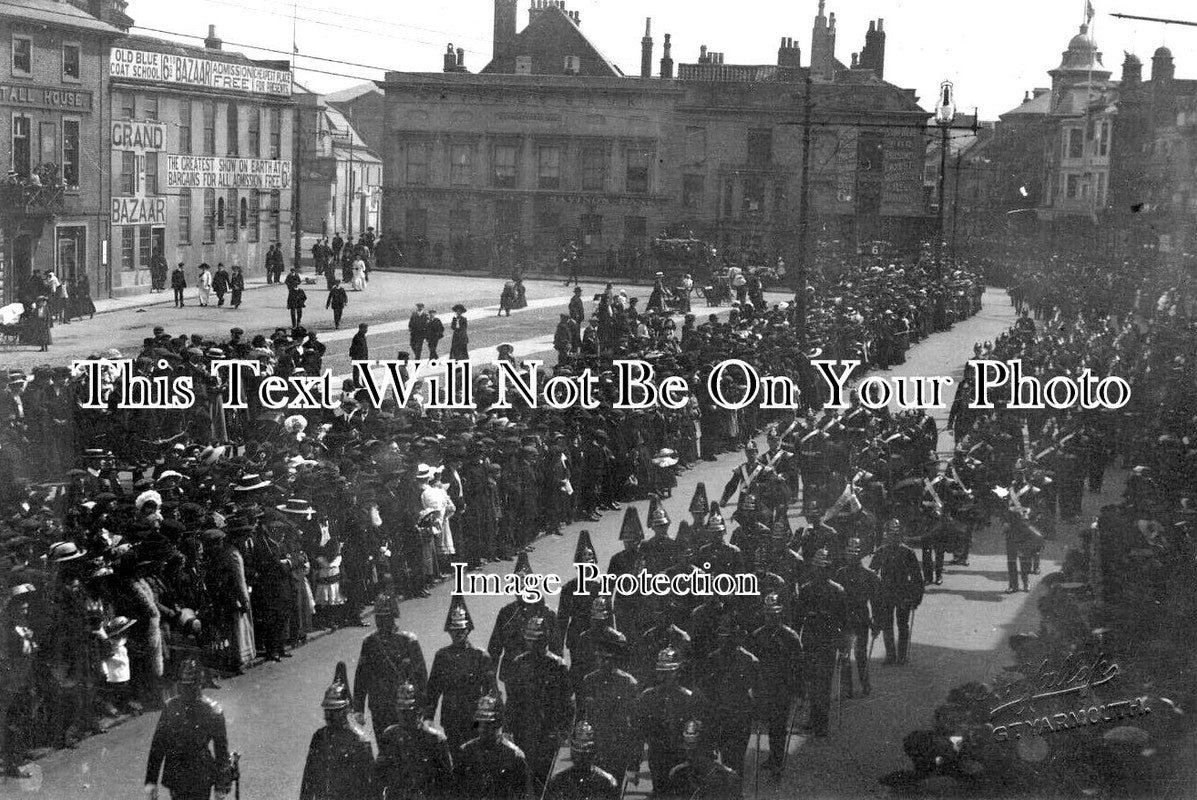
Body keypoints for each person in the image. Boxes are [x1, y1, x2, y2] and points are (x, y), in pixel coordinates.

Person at [143, 657, 232, 800]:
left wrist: (222, 784)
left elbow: (221, 750)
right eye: (185, 686)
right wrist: (150, 780)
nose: (188, 690)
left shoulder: (212, 710)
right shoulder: (171, 707)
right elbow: (158, 745)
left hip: (199, 774)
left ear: (199, 684)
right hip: (179, 774)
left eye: (191, 686)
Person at [501, 616, 573, 788]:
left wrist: (564, 730)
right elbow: (512, 699)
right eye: (530, 640)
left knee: (542, 778)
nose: (533, 644)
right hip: (524, 729)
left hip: (548, 731)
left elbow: (567, 702)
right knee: (523, 776)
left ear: (545, 639)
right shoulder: (519, 663)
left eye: (537, 640)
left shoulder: (558, 665)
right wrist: (507, 728)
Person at [425, 596, 496, 753]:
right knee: (456, 760)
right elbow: (433, 690)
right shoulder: (441, 656)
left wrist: (494, 722)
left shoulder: (480, 656)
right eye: (454, 630)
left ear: (468, 630)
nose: (458, 634)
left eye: (461, 630)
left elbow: (492, 691)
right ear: (449, 631)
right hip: (451, 718)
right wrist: (428, 717)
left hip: (475, 719)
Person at [353, 593, 428, 741]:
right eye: (378, 617)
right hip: (379, 705)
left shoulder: (408, 640)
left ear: (392, 617)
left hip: (404, 704)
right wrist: (358, 708)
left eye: (385, 617)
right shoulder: (369, 642)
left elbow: (421, 676)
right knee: (384, 748)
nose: (381, 621)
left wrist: (423, 706)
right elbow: (362, 675)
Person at [299, 663, 375, 800]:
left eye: (334, 711)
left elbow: (369, 785)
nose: (329, 716)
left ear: (345, 711)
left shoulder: (360, 740)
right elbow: (309, 776)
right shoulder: (319, 737)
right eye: (327, 711)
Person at [793, 548, 846, 738]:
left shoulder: (837, 591)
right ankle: (813, 718)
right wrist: (795, 643)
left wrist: (843, 645)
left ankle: (821, 723)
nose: (820, 571)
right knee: (810, 684)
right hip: (809, 641)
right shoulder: (806, 590)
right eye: (817, 567)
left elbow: (843, 621)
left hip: (827, 643)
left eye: (824, 568)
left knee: (823, 685)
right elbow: (797, 619)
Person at [749, 592, 802, 773]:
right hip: (764, 688)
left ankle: (777, 760)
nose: (771, 618)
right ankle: (773, 757)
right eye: (768, 614)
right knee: (769, 724)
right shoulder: (757, 636)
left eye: (775, 614)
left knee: (779, 726)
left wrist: (799, 692)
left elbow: (798, 667)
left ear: (780, 615)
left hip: (782, 688)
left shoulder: (791, 637)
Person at [375, 681, 453, 800]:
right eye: (401, 711)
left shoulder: (435, 739)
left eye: (408, 712)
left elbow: (446, 781)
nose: (403, 716)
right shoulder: (390, 736)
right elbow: (379, 775)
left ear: (419, 712)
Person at [453, 694, 530, 800]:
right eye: (480, 724)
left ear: (499, 725)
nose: (483, 729)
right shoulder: (466, 751)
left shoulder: (514, 755)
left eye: (489, 725)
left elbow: (523, 794)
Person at [868, 519, 924, 665]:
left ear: (901, 536)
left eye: (896, 534)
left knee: (902, 625)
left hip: (903, 593)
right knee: (887, 624)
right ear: (887, 535)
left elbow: (917, 578)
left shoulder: (908, 552)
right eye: (891, 535)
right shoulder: (881, 551)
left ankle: (902, 655)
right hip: (886, 592)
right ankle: (890, 655)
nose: (894, 538)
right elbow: (872, 572)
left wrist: (916, 598)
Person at [834, 538, 880, 698]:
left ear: (860, 555)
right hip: (845, 619)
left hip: (862, 619)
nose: (851, 557)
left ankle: (865, 682)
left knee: (860, 654)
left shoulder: (869, 575)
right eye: (849, 554)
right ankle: (847, 688)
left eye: (855, 554)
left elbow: (876, 601)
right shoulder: (840, 574)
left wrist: (876, 622)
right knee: (845, 655)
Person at [665, 720, 742, 800]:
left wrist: (728, 771)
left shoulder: (723, 772)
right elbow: (691, 762)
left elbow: (713, 765)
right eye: (688, 746)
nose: (690, 750)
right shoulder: (681, 770)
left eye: (693, 746)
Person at [543, 721, 620, 800]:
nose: (580, 759)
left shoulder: (607, 781)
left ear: (592, 755)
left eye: (584, 755)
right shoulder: (558, 780)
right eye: (577, 754)